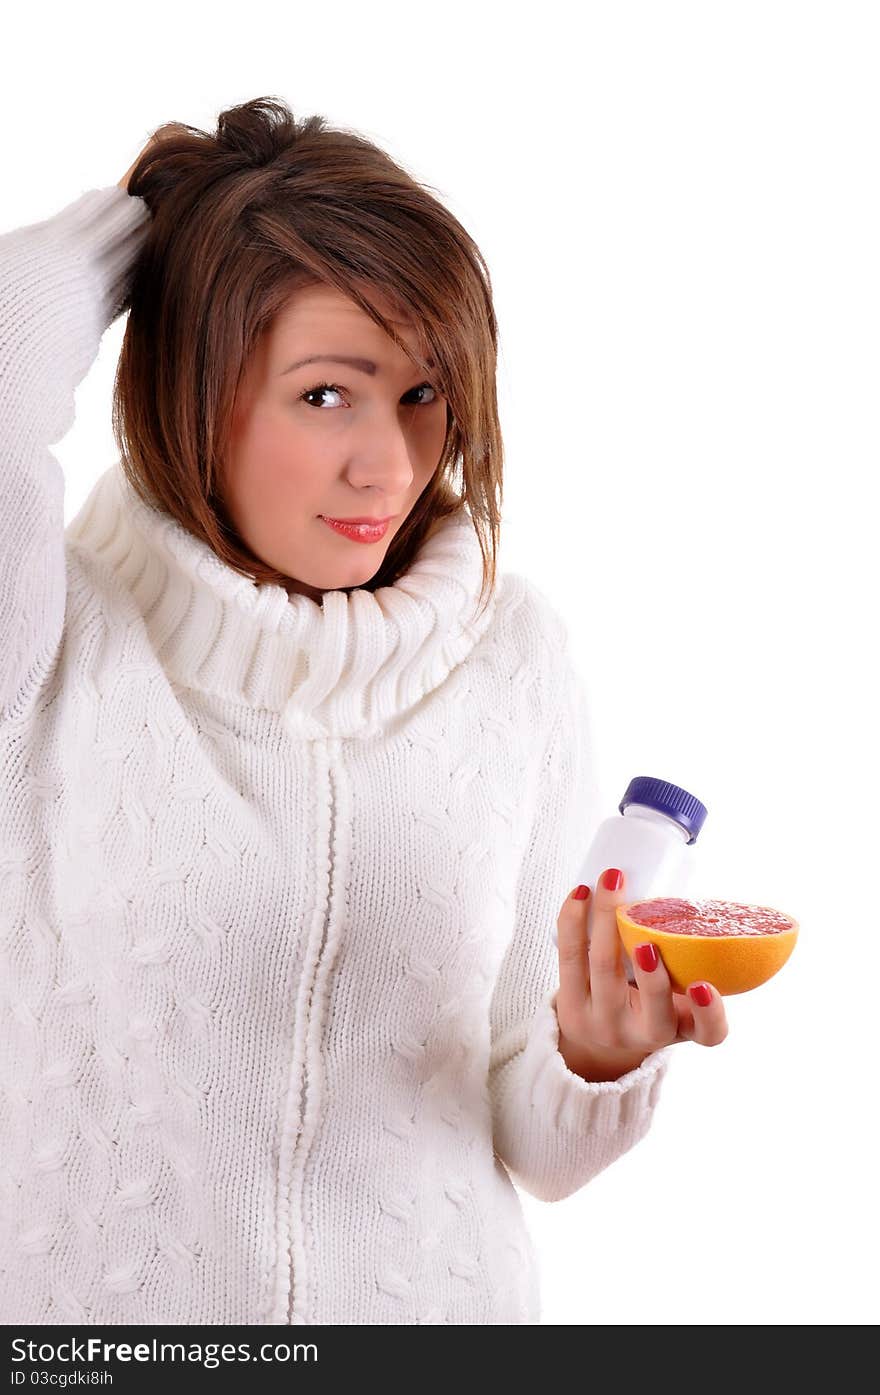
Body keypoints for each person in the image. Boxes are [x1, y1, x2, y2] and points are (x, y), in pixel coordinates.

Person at [0, 96, 727, 1327]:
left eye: (424, 394)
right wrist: (95, 264)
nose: (388, 465)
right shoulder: (47, 635)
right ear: (192, 389)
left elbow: (525, 1127)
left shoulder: (514, 661)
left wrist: (596, 1060)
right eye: (326, 395)